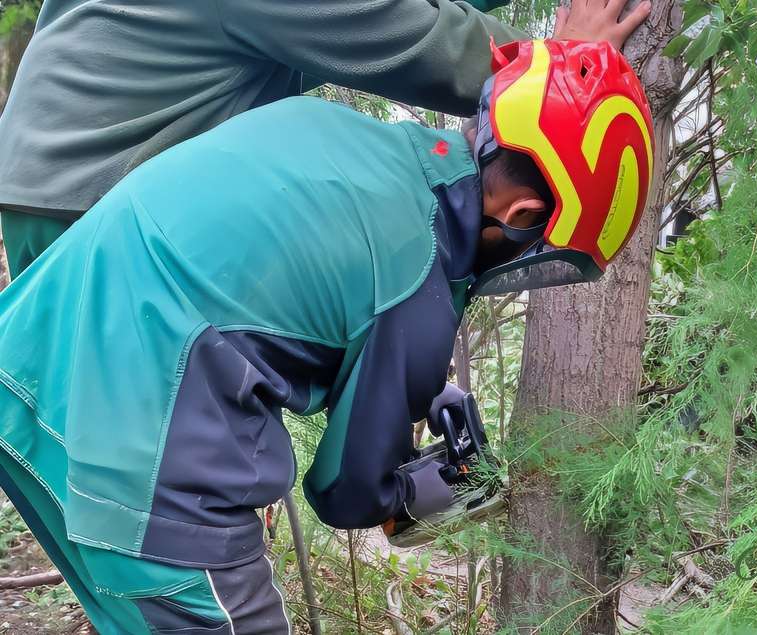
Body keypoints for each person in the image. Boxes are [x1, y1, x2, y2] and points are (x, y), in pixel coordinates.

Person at [0, 38, 654, 633]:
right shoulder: (415, 275)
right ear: (523, 214)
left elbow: (297, 279)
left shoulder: (349, 138)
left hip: (30, 370)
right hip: (141, 450)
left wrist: (413, 385)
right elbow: (346, 491)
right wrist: (427, 491)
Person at [0, 0, 652, 280]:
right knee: (144, 457)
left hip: (64, 175)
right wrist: (566, 64)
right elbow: (402, 34)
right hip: (93, 191)